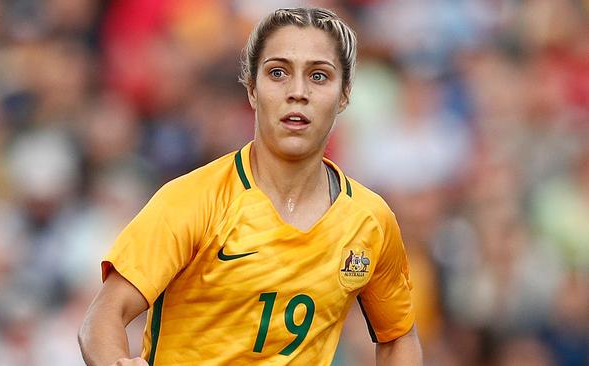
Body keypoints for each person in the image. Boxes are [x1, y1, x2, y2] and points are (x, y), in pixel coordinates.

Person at [78, 7, 422, 366]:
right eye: (278, 73)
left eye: (319, 76)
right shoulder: (192, 201)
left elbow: (399, 336)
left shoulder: (371, 220)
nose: (298, 92)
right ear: (252, 90)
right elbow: (103, 316)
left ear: (345, 94)